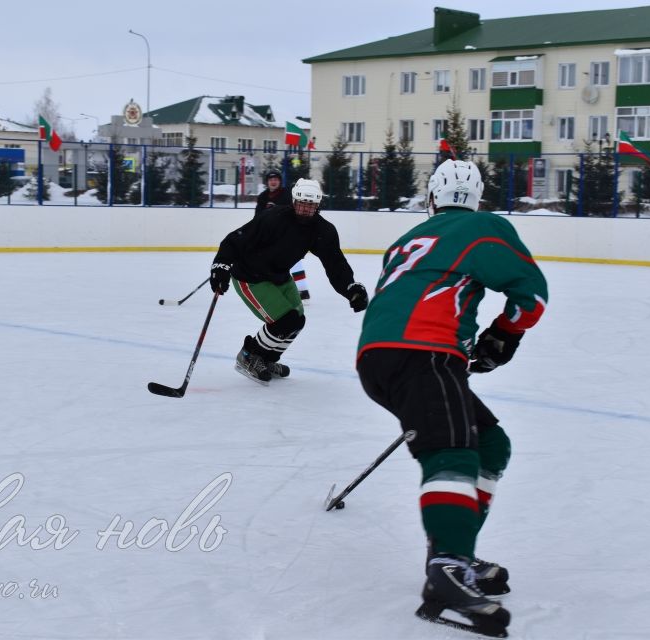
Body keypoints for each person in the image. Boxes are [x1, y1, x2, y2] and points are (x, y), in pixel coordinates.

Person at [356, 160, 548, 637]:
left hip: (381, 357)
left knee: (489, 445)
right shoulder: (484, 227)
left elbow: (416, 294)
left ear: (432, 198)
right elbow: (532, 297)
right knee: (454, 452)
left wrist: (463, 351)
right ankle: (447, 567)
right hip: (424, 354)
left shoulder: (406, 241)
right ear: (478, 197)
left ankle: (454, 547)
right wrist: (502, 337)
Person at [210, 178, 368, 384]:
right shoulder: (273, 218)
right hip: (251, 276)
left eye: (310, 205)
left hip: (280, 276)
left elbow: (335, 263)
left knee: (297, 321)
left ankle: (266, 360)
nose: (304, 209)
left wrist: (350, 287)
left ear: (318, 205)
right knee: (285, 321)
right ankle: (249, 356)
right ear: (294, 201)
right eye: (301, 203)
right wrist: (221, 266)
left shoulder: (323, 230)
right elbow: (235, 239)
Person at [255, 169, 312, 301]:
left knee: (294, 261)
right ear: (267, 182)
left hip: (288, 234)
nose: (273, 182)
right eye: (270, 180)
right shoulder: (263, 197)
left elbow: (293, 213)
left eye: (276, 179)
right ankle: (276, 290)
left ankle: (303, 290)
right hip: (271, 237)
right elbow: (257, 218)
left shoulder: (287, 195)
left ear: (279, 181)